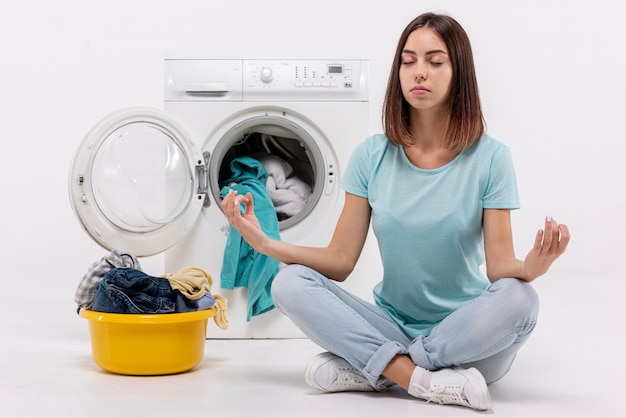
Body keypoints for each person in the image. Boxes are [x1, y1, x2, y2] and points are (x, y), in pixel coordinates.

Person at [221, 12, 570, 411]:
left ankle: (379, 368)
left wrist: (530, 268)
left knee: (521, 300)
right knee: (288, 283)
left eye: (435, 62)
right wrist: (265, 242)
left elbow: (499, 267)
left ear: (459, 73)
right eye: (408, 61)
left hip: (467, 337)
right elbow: (339, 261)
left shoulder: (491, 158)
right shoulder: (371, 155)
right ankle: (416, 378)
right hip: (389, 325)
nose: (419, 72)